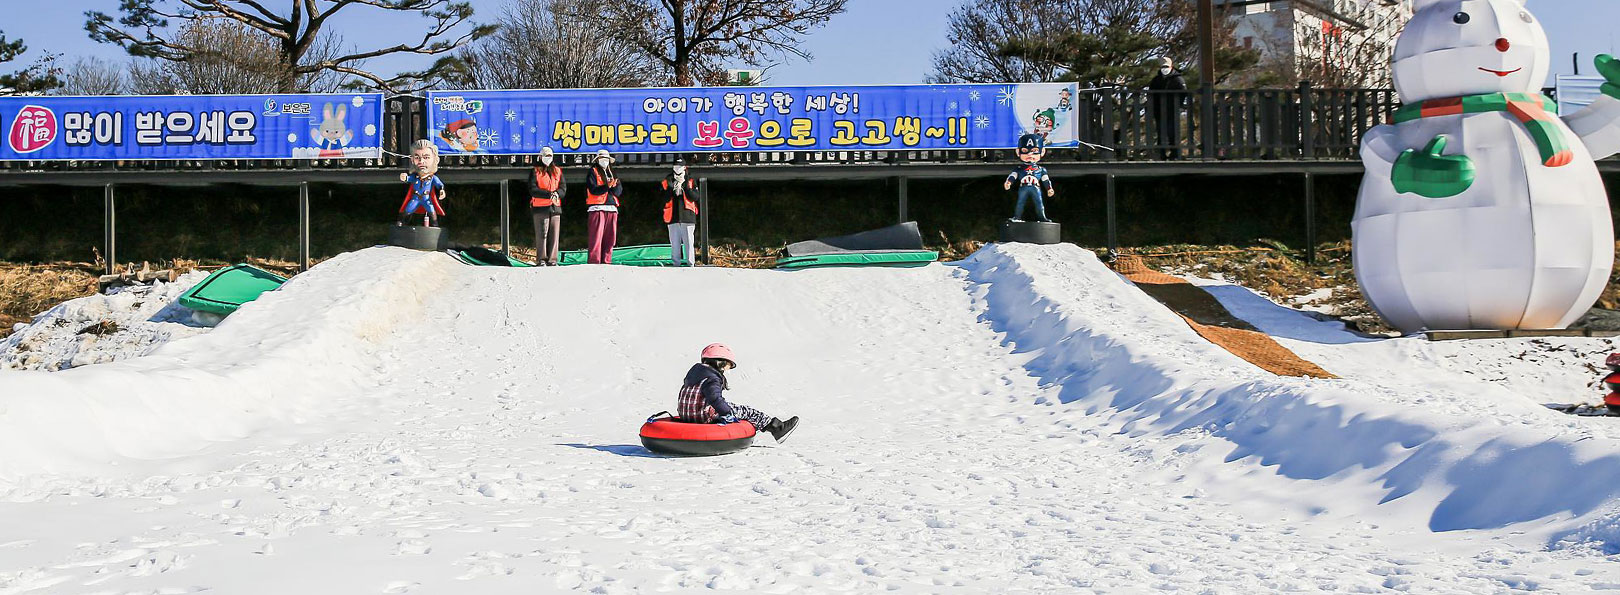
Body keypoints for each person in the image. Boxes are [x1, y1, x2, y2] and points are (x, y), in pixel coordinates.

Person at [677, 343, 799, 442]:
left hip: (687, 415)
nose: (727, 370)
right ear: (720, 363)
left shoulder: (695, 374)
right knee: (747, 411)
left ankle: (763, 426)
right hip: (703, 417)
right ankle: (778, 429)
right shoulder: (712, 378)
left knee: (728, 405)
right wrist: (727, 413)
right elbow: (714, 398)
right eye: (728, 366)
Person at [659, 158, 702, 266]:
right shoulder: (667, 180)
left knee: (688, 242)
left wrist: (686, 187)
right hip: (672, 216)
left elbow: (695, 197)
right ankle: (676, 263)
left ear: (684, 167)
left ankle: (690, 263)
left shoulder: (690, 180)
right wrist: (671, 188)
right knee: (674, 243)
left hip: (687, 216)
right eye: (675, 166)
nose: (677, 169)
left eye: (680, 167)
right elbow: (663, 198)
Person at [584, 149, 623, 264]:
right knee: (596, 237)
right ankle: (594, 261)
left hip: (611, 207)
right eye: (602, 159)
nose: (605, 161)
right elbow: (593, 189)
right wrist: (607, 186)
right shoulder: (593, 171)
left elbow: (619, 191)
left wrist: (614, 186)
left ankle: (607, 260)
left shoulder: (612, 172)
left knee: (610, 238)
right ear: (597, 160)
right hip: (597, 207)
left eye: (606, 159)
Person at [1003, 133, 1054, 222]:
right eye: (1025, 150)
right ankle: (1017, 217)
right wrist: (1009, 182)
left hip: (1035, 187)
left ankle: (1042, 218)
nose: (1030, 154)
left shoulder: (1041, 169)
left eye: (1035, 150)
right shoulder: (1019, 168)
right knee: (1020, 202)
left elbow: (1046, 180)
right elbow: (1013, 176)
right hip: (1024, 187)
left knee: (1039, 203)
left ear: (1042, 152)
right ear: (1018, 152)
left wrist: (1049, 188)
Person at [528, 147, 566, 265]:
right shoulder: (535, 171)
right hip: (540, 207)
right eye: (545, 156)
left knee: (554, 234)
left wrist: (557, 194)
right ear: (540, 157)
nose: (548, 158)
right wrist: (548, 194)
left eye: (550, 156)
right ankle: (541, 259)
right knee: (542, 234)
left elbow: (563, 188)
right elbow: (533, 189)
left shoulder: (557, 170)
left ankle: (552, 260)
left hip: (555, 207)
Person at [397, 140, 447, 227]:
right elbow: (408, 179)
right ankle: (401, 223)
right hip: (415, 198)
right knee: (408, 209)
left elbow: (439, 185)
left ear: (435, 159)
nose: (421, 161)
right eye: (417, 157)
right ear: (412, 160)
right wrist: (404, 177)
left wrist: (442, 190)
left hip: (426, 199)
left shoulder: (432, 178)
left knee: (432, 211)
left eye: (426, 157)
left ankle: (435, 225)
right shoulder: (415, 177)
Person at [1148, 56, 1188, 160]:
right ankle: (1161, 154)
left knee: (1173, 133)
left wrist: (1178, 105)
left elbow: (1183, 93)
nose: (1164, 68)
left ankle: (1175, 154)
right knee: (1160, 133)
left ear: (1171, 66)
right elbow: (1151, 94)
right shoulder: (1156, 80)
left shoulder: (1178, 79)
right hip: (1159, 110)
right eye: (1162, 66)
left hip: (1172, 110)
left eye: (1166, 66)